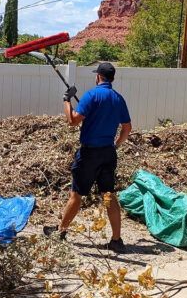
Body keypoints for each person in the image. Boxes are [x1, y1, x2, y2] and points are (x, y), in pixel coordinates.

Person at [44, 62, 132, 253]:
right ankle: (116, 240)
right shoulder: (118, 99)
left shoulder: (91, 95)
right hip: (108, 153)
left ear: (99, 76)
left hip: (89, 153)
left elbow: (72, 121)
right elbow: (127, 128)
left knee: (76, 194)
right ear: (112, 78)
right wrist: (115, 145)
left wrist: (67, 100)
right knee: (109, 195)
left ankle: (60, 232)